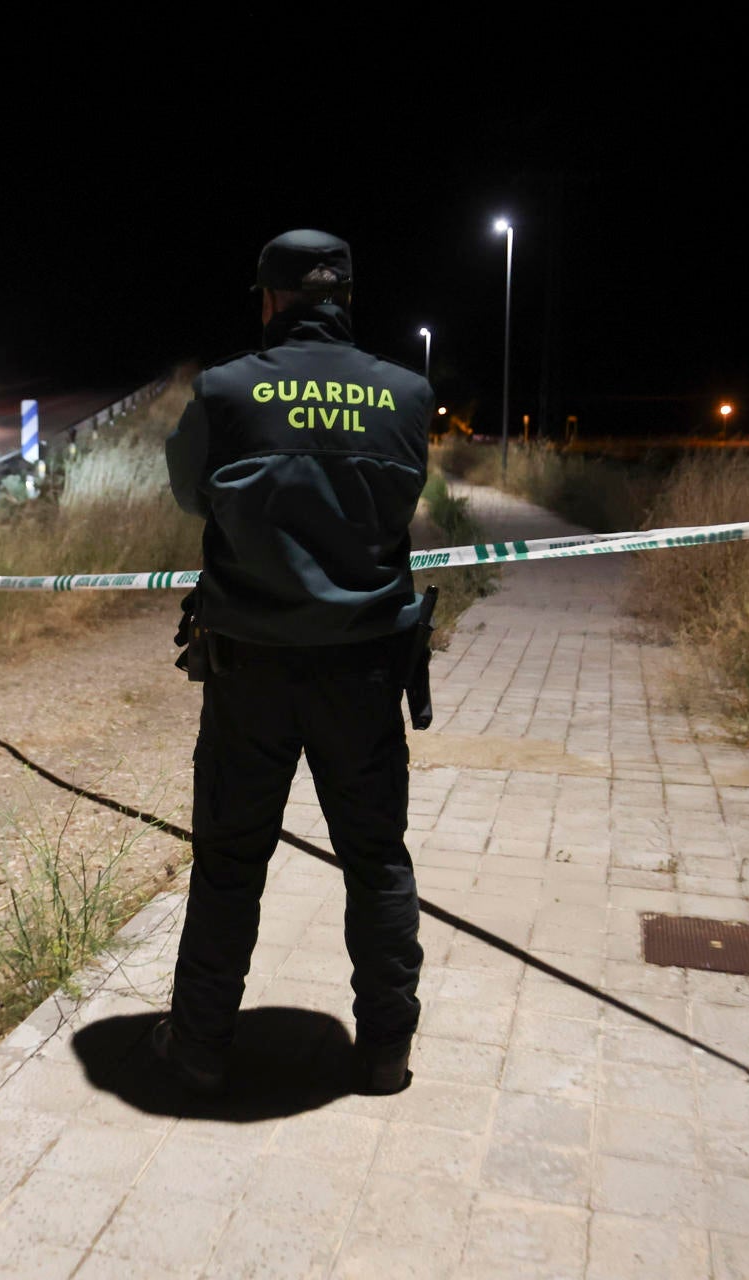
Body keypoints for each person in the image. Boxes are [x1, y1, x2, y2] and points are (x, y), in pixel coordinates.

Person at [156, 229, 436, 1097]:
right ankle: (385, 1051)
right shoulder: (406, 392)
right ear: (344, 297)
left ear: (271, 298)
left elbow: (185, 490)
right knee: (376, 859)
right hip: (363, 673)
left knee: (231, 862)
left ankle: (199, 1046)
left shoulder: (226, 390)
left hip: (252, 674)